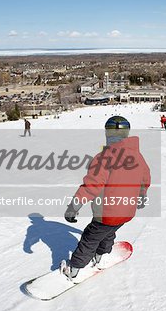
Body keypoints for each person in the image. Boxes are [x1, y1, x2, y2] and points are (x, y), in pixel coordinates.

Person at [63, 115, 151, 282]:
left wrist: (74, 206)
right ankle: (102, 256)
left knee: (90, 237)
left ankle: (74, 269)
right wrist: (141, 196)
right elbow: (145, 179)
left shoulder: (104, 158)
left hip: (107, 213)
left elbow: (92, 185)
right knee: (109, 232)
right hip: (127, 211)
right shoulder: (138, 156)